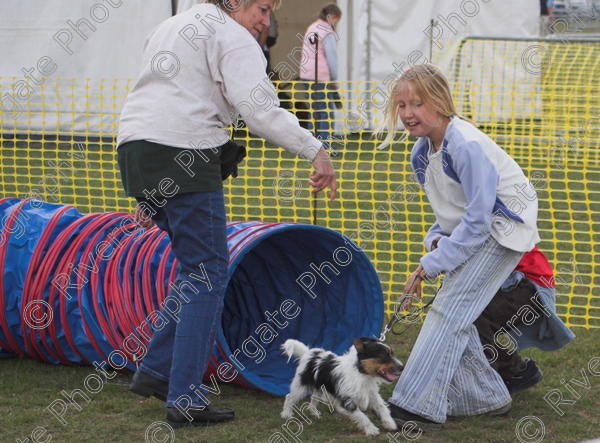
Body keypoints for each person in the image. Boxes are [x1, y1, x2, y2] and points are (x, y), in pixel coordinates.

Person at [116, 0, 337, 428]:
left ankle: (157, 372)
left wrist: (148, 192)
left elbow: (164, 94)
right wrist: (316, 150)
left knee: (194, 271)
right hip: (183, 151)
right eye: (261, 7)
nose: (266, 20)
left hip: (134, 149)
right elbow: (260, 111)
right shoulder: (233, 37)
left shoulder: (171, 26)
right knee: (208, 273)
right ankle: (185, 398)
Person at [377, 64, 541, 432]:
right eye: (401, 105)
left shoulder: (465, 145)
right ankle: (487, 397)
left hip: (504, 229)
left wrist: (432, 262)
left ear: (439, 102)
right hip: (479, 230)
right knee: (457, 315)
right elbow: (451, 216)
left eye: (416, 103)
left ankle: (416, 405)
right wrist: (434, 248)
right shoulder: (420, 155)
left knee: (449, 310)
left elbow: (480, 219)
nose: (407, 113)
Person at [473, 246, 575, 394]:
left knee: (473, 320)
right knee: (469, 320)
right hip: (516, 279)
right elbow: (438, 234)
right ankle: (510, 371)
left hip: (528, 281)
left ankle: (510, 372)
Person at [300, 3, 342, 150]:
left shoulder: (312, 27)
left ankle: (312, 145)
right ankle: (324, 146)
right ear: (333, 17)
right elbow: (331, 57)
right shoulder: (327, 31)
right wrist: (334, 78)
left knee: (314, 110)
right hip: (321, 75)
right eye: (337, 20)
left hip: (306, 74)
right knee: (326, 112)